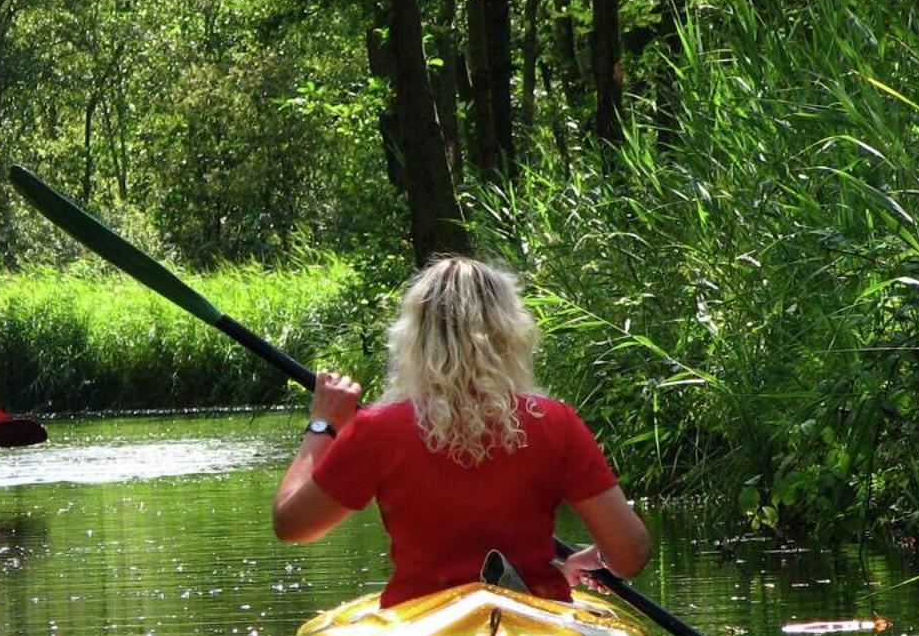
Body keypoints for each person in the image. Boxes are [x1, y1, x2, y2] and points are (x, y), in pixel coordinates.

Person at [272, 254, 650, 605]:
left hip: (422, 623)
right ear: (510, 333)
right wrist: (595, 556)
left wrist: (322, 424)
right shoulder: (555, 422)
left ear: (414, 338)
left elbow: (292, 525)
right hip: (535, 616)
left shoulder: (378, 429)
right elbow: (630, 555)